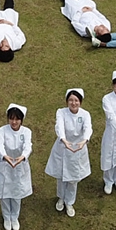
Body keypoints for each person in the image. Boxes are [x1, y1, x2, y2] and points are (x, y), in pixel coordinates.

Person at [44, 88, 91, 217]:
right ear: (66, 101)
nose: (73, 103)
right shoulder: (61, 112)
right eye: (70, 100)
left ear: (80, 102)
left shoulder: (85, 114)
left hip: (78, 150)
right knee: (61, 176)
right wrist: (64, 141)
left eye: (76, 100)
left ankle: (69, 202)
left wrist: (83, 141)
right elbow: (59, 126)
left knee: (74, 178)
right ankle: (61, 197)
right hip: (63, 147)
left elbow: (88, 128)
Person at [0, 104, 32, 230]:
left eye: (17, 119)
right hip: (4, 166)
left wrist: (22, 157)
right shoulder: (2, 130)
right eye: (11, 119)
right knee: (5, 193)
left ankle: (15, 217)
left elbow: (28, 146)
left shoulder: (26, 132)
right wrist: (5, 156)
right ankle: (7, 217)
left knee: (17, 192)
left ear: (21, 120)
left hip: (20, 167)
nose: (14, 122)